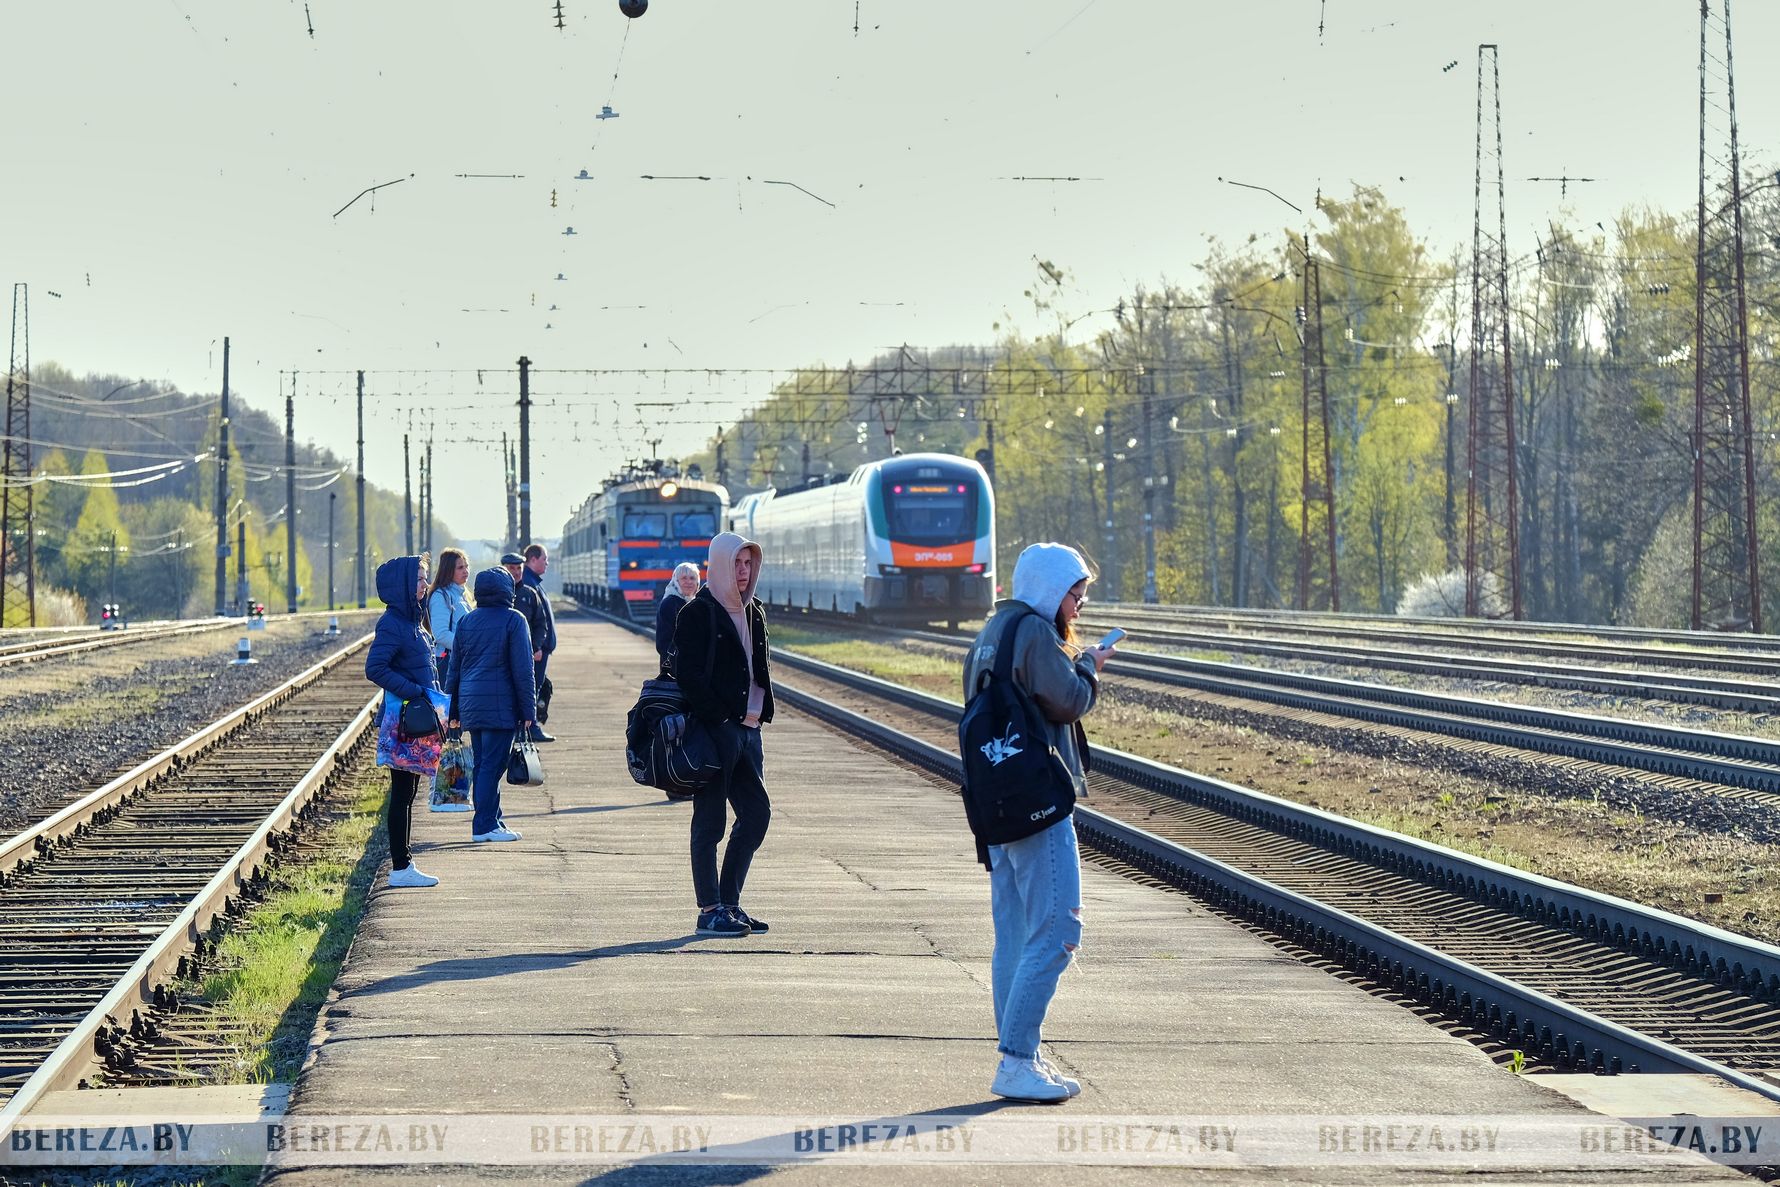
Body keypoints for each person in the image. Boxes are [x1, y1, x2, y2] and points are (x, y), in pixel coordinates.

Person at [961, 542, 1113, 1104]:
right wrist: (1091, 665)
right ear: (1050, 589)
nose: (1080, 604)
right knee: (1058, 929)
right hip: (1037, 802)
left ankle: (1019, 1055)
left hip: (995, 802)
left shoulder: (990, 633)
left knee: (1016, 936)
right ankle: (1017, 1059)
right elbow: (1068, 699)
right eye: (1075, 593)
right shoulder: (1033, 631)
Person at [672, 532, 773, 938]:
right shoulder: (697, 613)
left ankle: (730, 903)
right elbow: (688, 676)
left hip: (749, 731)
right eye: (737, 564)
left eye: (749, 564)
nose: (744, 572)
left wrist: (760, 714)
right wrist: (719, 720)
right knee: (710, 822)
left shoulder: (755, 612)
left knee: (757, 814)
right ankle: (709, 909)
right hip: (718, 732)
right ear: (719, 566)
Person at [365, 552, 441, 889]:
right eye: (421, 579)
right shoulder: (393, 622)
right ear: (404, 585)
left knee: (408, 792)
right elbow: (375, 668)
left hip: (415, 717)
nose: (425, 584)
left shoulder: (411, 618)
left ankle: (404, 863)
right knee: (401, 792)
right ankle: (400, 865)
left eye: (425, 578)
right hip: (404, 719)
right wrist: (414, 691)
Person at [444, 566, 537, 844]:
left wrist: (453, 709)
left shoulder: (467, 621)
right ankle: (483, 825)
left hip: (472, 703)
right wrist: (528, 710)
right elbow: (523, 669)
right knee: (491, 767)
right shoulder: (514, 620)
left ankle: (493, 819)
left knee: (485, 763)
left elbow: (454, 669)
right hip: (500, 706)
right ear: (507, 590)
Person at [501, 551, 555, 743]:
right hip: (504, 656)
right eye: (511, 568)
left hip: (530, 655)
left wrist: (535, 647)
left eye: (518, 568)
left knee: (531, 690)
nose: (515, 572)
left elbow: (541, 623)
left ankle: (530, 727)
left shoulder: (529, 594)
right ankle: (511, 729)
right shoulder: (498, 594)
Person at [522, 542, 558, 742]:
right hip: (538, 650)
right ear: (533, 559)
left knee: (535, 686)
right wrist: (535, 647)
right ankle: (532, 727)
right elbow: (530, 621)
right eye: (545, 559)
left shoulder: (534, 582)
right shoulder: (529, 583)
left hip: (541, 648)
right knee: (532, 688)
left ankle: (532, 726)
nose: (547, 563)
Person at [426, 548, 472, 672]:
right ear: (448, 570)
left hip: (461, 660)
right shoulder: (441, 596)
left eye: (466, 566)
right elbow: (441, 634)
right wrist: (468, 648)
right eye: (460, 568)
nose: (465, 571)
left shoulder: (461, 594)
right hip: (449, 662)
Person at [654, 561, 702, 675]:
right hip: (677, 670)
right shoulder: (670, 603)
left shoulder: (696, 603)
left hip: (694, 669)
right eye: (684, 578)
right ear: (676, 581)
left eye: (692, 578)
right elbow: (663, 643)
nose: (689, 582)